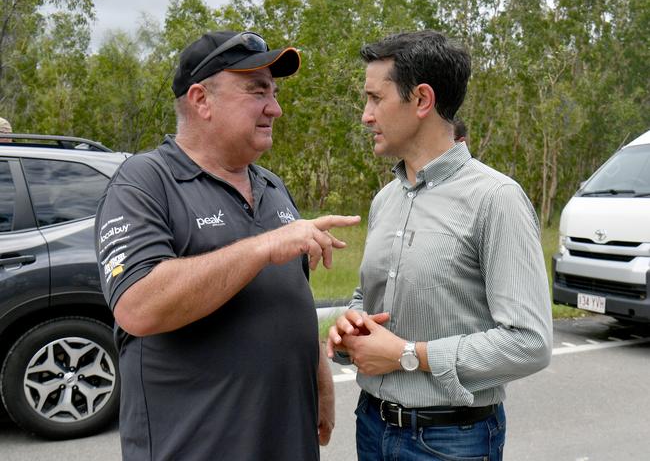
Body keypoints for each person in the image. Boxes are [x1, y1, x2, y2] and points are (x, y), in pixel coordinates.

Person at [95, 30, 361, 460]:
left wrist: (320, 376)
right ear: (202, 100)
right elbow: (137, 306)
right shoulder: (144, 182)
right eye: (257, 91)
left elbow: (289, 296)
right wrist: (262, 247)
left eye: (273, 92)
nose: (275, 107)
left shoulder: (272, 186)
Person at [327, 30, 552, 460]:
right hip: (371, 427)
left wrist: (408, 355)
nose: (365, 115)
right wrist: (351, 325)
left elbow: (529, 342)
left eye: (376, 99)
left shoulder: (495, 199)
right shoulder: (385, 200)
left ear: (422, 100)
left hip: (452, 441)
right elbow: (366, 296)